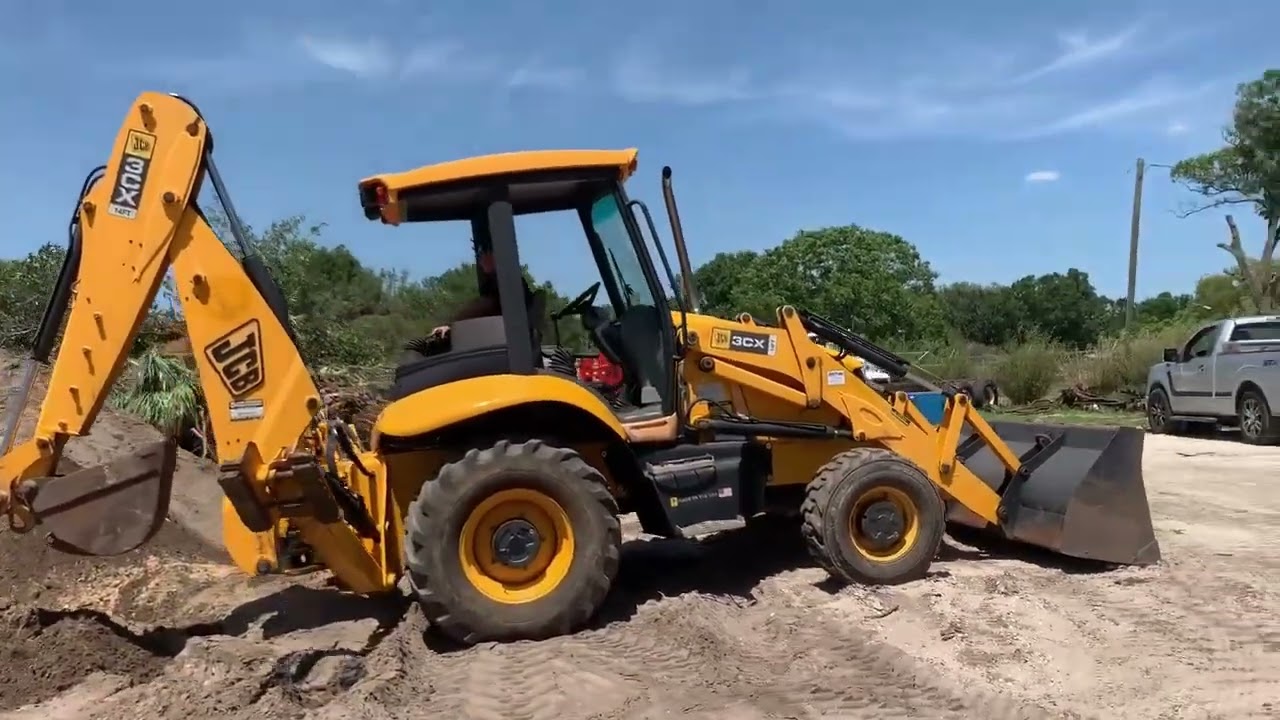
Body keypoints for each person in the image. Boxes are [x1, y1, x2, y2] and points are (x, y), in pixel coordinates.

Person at [428, 238, 533, 339]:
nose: (479, 258)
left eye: (480, 253)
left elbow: (483, 306)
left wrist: (450, 325)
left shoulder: (506, 282)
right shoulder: (505, 280)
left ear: (493, 253)